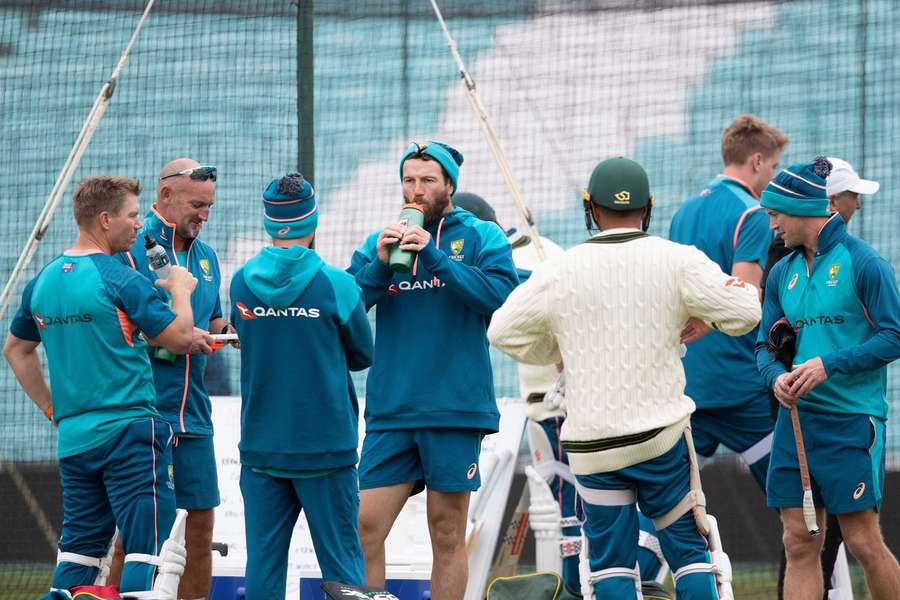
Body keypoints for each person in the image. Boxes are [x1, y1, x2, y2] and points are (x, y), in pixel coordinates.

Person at [488, 157, 761, 599]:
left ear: (591, 210)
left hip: (593, 447)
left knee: (610, 562)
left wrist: (558, 350)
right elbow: (747, 311)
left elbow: (502, 330)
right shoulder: (677, 260)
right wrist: (704, 318)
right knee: (690, 553)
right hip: (661, 440)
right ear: (647, 208)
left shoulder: (562, 268)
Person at [452, 191, 668, 595]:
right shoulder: (527, 252)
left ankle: (612, 578)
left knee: (579, 500)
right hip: (545, 402)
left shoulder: (530, 255)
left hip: (562, 400)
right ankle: (591, 581)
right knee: (567, 496)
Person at [3, 176, 196, 597]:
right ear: (105, 220)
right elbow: (179, 338)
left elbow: (16, 349)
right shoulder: (119, 279)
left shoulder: (43, 283)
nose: (137, 225)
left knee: (79, 554)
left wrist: (52, 408)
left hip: (75, 440)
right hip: (129, 432)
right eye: (131, 216)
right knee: (152, 553)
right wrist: (180, 290)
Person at [347, 141, 518, 598]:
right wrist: (379, 268)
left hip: (454, 410)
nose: (416, 190)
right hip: (392, 410)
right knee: (363, 525)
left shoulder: (483, 237)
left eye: (427, 180)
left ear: (449, 185)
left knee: (446, 532)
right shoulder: (379, 240)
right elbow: (347, 307)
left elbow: (500, 298)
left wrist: (437, 258)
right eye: (408, 180)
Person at [756, 157, 900, 600]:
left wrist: (827, 365)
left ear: (800, 209)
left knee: (862, 542)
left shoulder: (864, 263)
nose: (773, 224)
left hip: (852, 421)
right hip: (796, 426)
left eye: (776, 213)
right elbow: (763, 346)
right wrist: (776, 378)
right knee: (799, 543)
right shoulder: (782, 273)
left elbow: (894, 336)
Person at [229, 172, 373, 598]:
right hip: (326, 449)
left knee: (264, 570)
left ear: (269, 223)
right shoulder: (337, 284)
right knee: (344, 570)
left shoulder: (240, 282)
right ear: (313, 221)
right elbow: (364, 355)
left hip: (262, 448)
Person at [116, 158, 227, 599]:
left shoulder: (207, 256)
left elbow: (215, 321)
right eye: (196, 204)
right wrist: (175, 337)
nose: (204, 214)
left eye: (210, 206)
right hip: (145, 412)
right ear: (165, 197)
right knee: (136, 535)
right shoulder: (131, 247)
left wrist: (234, 333)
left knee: (200, 529)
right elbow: (123, 327)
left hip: (193, 416)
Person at [668, 114, 788, 489]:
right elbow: (745, 303)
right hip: (739, 387)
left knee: (665, 505)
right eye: (773, 166)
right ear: (756, 161)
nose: (774, 175)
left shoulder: (683, 211)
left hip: (692, 386)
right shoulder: (752, 214)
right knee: (800, 503)